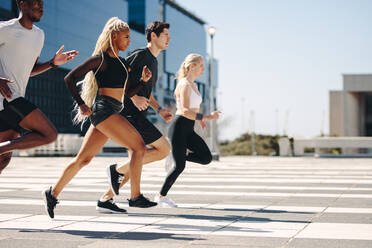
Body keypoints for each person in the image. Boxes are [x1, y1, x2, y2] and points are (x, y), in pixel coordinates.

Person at [42, 17, 156, 219]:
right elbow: (70, 78)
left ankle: (52, 193)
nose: (129, 41)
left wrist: (142, 81)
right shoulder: (100, 60)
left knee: (83, 159)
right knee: (138, 147)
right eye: (126, 37)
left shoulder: (122, 64)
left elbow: (128, 92)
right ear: (114, 37)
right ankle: (135, 196)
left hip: (112, 112)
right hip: (104, 111)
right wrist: (81, 103)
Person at [96, 21, 174, 212]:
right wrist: (133, 96)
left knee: (135, 162)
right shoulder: (141, 55)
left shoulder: (154, 61)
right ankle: (117, 172)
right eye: (165, 34)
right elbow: (119, 77)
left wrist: (159, 109)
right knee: (164, 149)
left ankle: (106, 200)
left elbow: (146, 91)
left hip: (138, 114)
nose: (168, 38)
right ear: (153, 36)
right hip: (128, 114)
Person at [0, 0, 78, 174]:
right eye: (35, 2)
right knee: (49, 134)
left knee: (3, 159)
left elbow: (29, 71)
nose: (41, 6)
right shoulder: (6, 29)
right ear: (22, 4)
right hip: (8, 98)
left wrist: (52, 63)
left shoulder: (39, 35)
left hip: (15, 98)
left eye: (42, 3)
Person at [155, 54, 220, 207]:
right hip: (179, 127)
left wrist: (199, 120)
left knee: (206, 158)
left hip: (189, 128)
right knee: (179, 167)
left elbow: (192, 109)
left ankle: (179, 155)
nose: (203, 69)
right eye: (201, 66)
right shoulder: (184, 84)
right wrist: (206, 117)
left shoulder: (194, 85)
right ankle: (161, 196)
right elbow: (184, 110)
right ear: (192, 67)